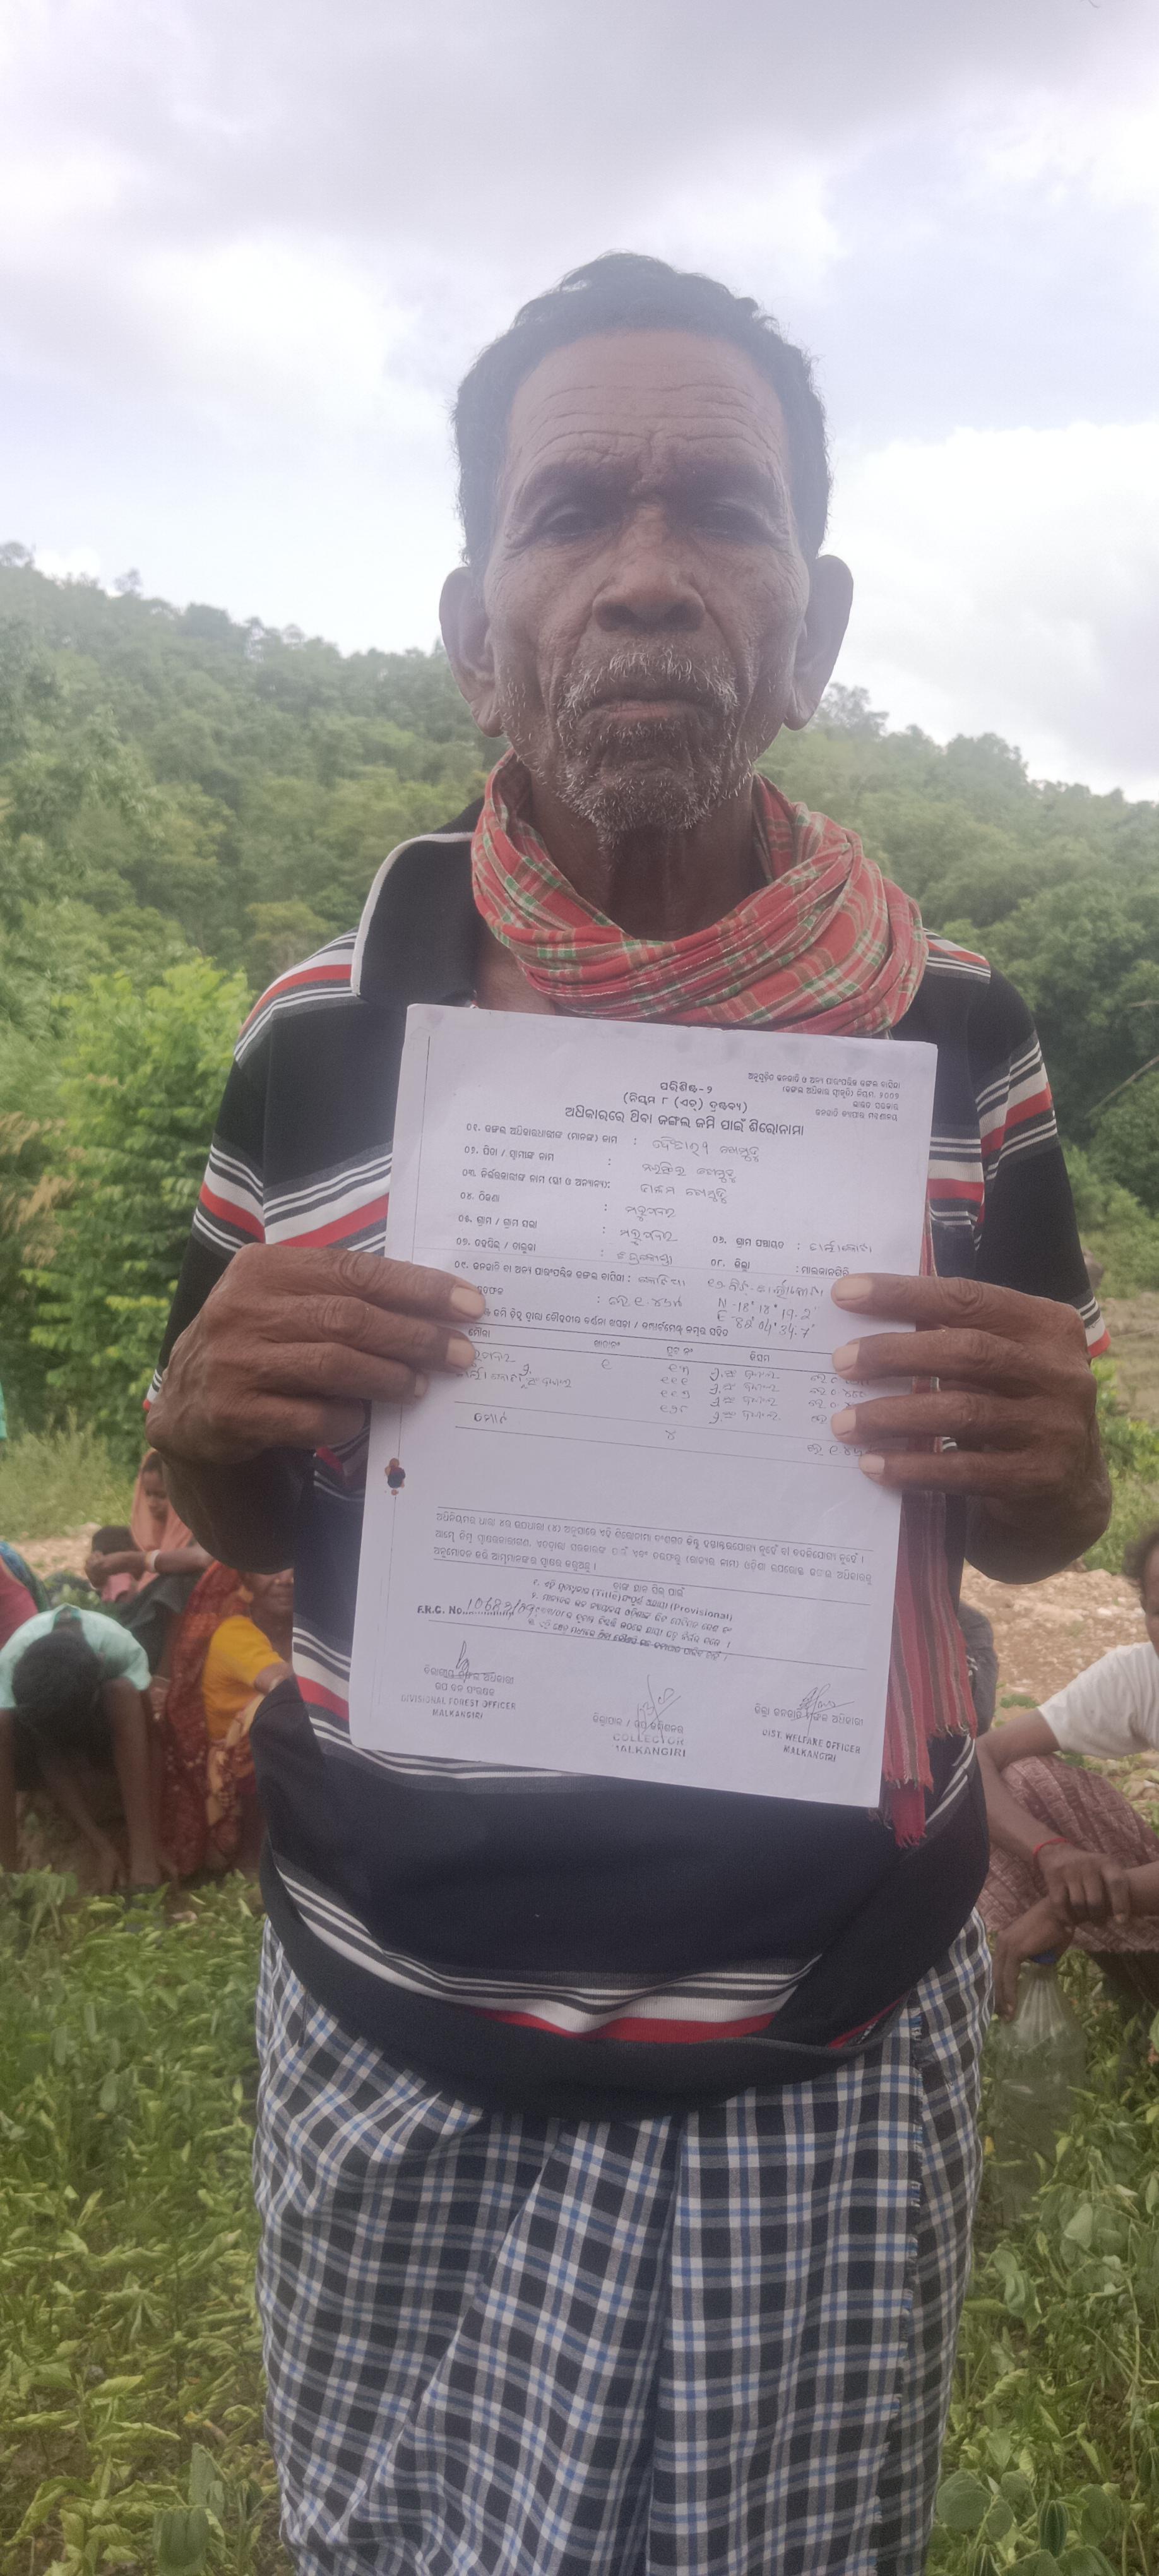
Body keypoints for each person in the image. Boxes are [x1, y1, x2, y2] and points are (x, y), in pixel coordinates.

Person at [147, 254, 1110, 2575]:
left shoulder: (957, 1036)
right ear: (475, 626)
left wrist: (1057, 1473)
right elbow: (228, 1494)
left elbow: (1021, 1517)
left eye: (723, 512)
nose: (650, 571)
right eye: (573, 509)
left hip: (820, 2035)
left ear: (813, 619)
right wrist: (200, 1407)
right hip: (397, 2023)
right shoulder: (317, 1032)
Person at [981, 1522, 1159, 2020]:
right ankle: (1147, 2000)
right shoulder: (1143, 1673)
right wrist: (1051, 1853)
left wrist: (1070, 1905)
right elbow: (981, 1757)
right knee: (1025, 1783)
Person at [0, 1602, 160, 1887]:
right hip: (37, 1740)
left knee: (123, 1692)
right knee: (3, 1721)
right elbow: (44, 1753)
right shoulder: (11, 1663)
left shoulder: (120, 1647)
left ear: (100, 1662)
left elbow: (153, 1737)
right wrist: (101, 1846)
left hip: (98, 1732)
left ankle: (144, 1865)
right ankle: (8, 1874)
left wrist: (155, 1843)